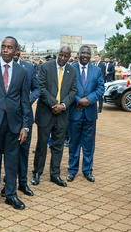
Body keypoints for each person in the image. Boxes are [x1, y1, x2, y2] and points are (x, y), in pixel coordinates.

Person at [0, 36, 33, 213]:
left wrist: (25, 126)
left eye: (9, 47)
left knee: (11, 162)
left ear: (16, 50)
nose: (5, 50)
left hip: (14, 125)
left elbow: (25, 101)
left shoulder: (22, 72)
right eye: (3, 46)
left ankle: (10, 195)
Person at [32, 45, 77, 187]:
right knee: (42, 145)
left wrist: (63, 105)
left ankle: (55, 174)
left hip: (62, 114)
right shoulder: (46, 67)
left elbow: (73, 91)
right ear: (58, 53)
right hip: (46, 112)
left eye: (66, 56)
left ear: (69, 57)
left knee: (58, 145)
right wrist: (54, 104)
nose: (63, 58)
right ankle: (37, 172)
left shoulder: (72, 71)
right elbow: (41, 87)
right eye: (61, 55)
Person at [67, 45, 105, 182]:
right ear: (78, 54)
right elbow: (68, 88)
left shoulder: (97, 70)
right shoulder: (71, 69)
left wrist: (89, 99)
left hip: (90, 113)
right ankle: (72, 170)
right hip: (75, 112)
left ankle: (87, 170)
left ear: (91, 55)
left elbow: (101, 88)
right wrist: (78, 100)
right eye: (83, 53)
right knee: (74, 143)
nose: (85, 55)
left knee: (89, 144)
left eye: (88, 53)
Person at [9, 49, 40, 195]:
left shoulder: (29, 67)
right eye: (12, 49)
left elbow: (37, 88)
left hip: (25, 116)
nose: (14, 52)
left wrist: (28, 100)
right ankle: (9, 184)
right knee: (9, 152)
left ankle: (22, 183)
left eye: (17, 50)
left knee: (24, 151)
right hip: (8, 117)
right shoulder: (3, 68)